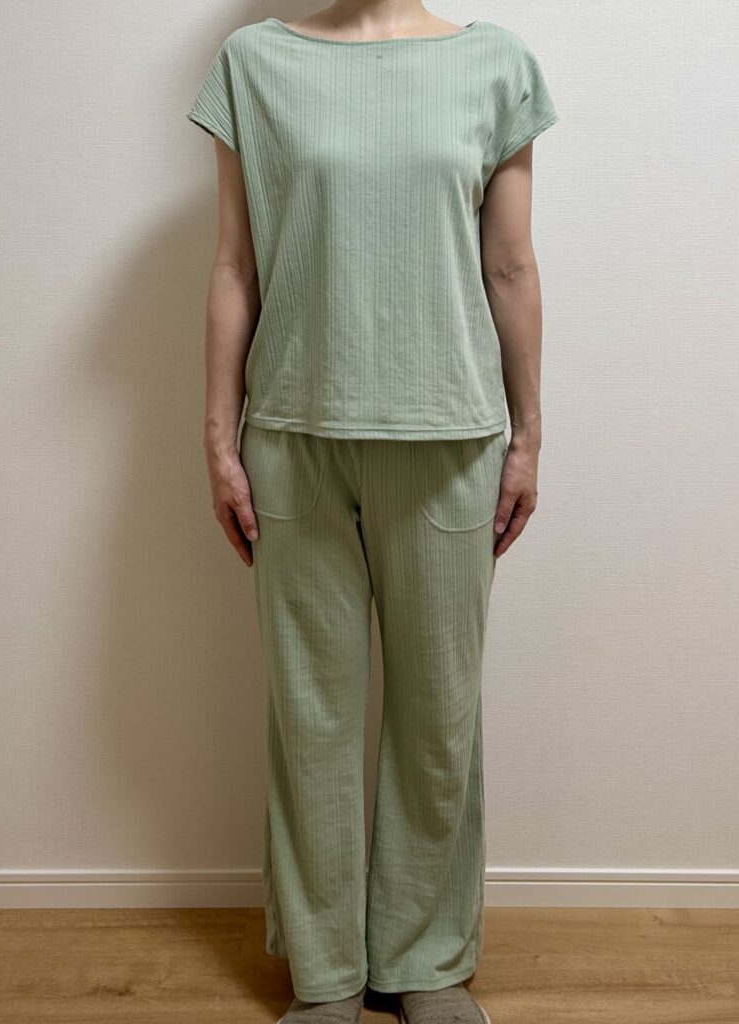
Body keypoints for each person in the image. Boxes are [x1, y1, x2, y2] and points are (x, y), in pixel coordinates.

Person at [186, 4, 558, 1021]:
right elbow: (235, 264)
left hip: (451, 437)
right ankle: (326, 975)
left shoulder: (496, 64)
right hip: (295, 433)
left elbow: (511, 265)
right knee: (310, 716)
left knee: (440, 713)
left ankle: (424, 961)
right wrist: (218, 438)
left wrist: (528, 435)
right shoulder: (254, 62)